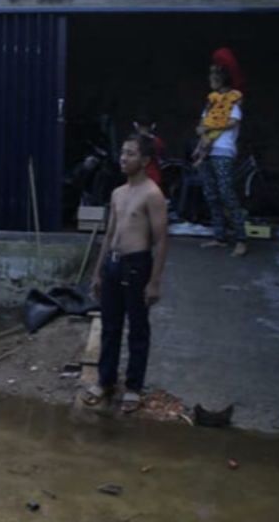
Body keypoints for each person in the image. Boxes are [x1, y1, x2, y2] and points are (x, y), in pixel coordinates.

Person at [84, 134, 168, 414]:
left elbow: (161, 241)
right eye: (122, 153)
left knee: (138, 328)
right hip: (113, 263)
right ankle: (105, 380)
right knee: (110, 326)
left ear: (144, 160)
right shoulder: (118, 193)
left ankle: (133, 387)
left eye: (130, 154)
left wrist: (154, 282)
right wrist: (97, 272)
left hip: (136, 265)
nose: (123, 158)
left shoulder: (152, 194)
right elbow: (109, 235)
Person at [196, 64, 248, 258]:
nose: (210, 79)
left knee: (227, 193)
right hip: (207, 151)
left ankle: (241, 238)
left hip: (223, 151)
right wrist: (202, 141)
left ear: (221, 78)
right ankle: (219, 236)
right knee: (211, 194)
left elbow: (233, 122)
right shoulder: (211, 102)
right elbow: (201, 126)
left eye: (213, 76)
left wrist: (209, 128)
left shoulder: (233, 101)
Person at [132, 116, 166, 189]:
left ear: (136, 125)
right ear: (153, 126)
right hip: (154, 176)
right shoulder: (158, 141)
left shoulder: (133, 142)